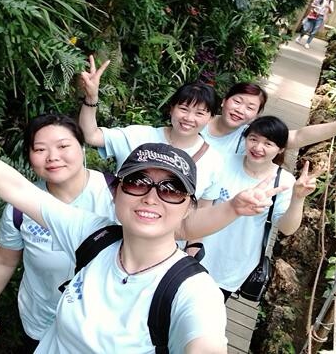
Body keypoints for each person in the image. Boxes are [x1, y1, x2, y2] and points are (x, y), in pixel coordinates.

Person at [0, 64, 287, 353]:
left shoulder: (191, 289)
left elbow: (204, 340)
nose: (151, 197)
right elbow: (16, 188)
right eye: (137, 182)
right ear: (116, 194)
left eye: (171, 189)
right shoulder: (94, 235)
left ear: (188, 206)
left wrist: (232, 209)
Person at [0, 113, 116, 352]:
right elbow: (3, 259)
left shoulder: (118, 195)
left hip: (105, 327)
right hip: (43, 322)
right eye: (40, 149)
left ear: (82, 147)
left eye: (63, 146)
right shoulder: (20, 206)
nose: (52, 157)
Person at [79, 56, 226, 253]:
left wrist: (192, 250)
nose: (189, 118)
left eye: (200, 113)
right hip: (114, 240)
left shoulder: (214, 161)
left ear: (210, 118)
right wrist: (91, 98)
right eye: (183, 109)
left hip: (163, 251)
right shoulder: (138, 136)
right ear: (171, 109)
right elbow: (91, 135)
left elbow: (201, 211)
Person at [199, 116, 319, 301]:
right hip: (197, 251)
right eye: (253, 139)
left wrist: (298, 198)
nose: (258, 147)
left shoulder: (284, 181)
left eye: (268, 143)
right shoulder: (222, 162)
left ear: (281, 149)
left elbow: (287, 228)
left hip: (232, 266)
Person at [202, 81, 336, 156]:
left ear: (256, 115)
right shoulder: (197, 122)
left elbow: (297, 137)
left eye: (250, 108)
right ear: (224, 101)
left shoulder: (252, 137)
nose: (240, 110)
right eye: (237, 101)